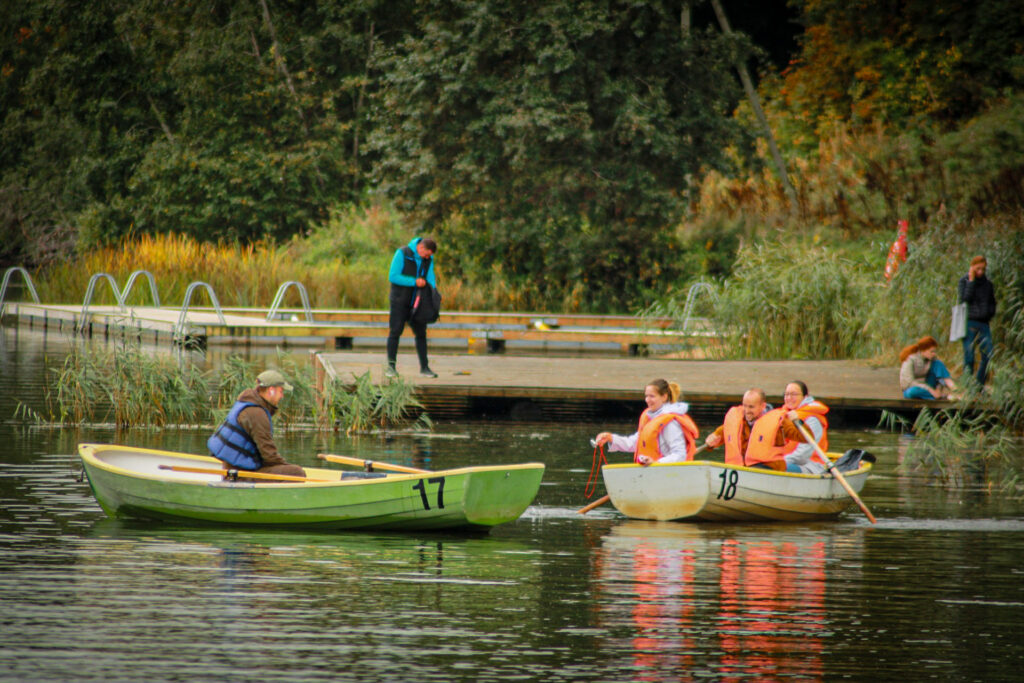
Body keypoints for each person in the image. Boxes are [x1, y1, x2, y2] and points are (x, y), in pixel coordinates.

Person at [207, 369, 306, 480]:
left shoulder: (247, 403)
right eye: (281, 391)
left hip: (233, 471)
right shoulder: (257, 414)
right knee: (297, 473)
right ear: (271, 390)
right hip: (241, 476)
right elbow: (269, 456)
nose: (282, 396)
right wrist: (287, 467)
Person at [594, 379, 699, 466]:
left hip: (667, 474)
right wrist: (611, 438)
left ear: (664, 397)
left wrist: (656, 463)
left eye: (652, 396)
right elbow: (635, 443)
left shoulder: (670, 422)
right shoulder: (650, 417)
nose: (647, 400)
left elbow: (679, 454)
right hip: (651, 474)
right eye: (646, 396)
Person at [386, 236, 439, 378]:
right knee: (395, 332)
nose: (428, 257)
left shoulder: (429, 259)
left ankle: (425, 368)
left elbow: (430, 278)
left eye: (430, 256)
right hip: (399, 300)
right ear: (421, 248)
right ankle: (391, 367)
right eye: (427, 254)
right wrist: (414, 282)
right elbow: (393, 276)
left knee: (421, 334)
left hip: (418, 303)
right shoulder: (402, 253)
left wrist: (434, 294)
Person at [703, 388, 770, 467]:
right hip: (740, 469)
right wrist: (711, 441)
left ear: (763, 406)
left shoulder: (776, 422)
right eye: (744, 406)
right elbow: (719, 434)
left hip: (765, 468)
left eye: (751, 407)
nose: (747, 410)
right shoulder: (737, 420)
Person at [958, 255, 996, 385]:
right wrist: (971, 281)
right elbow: (964, 300)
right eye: (978, 268)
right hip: (969, 322)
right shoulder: (964, 281)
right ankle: (967, 386)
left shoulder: (988, 284)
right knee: (969, 356)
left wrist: (990, 313)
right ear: (972, 267)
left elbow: (992, 302)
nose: (980, 271)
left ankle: (979, 385)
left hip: (984, 323)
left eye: (983, 269)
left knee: (988, 355)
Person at [778, 380, 830, 474]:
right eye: (786, 394)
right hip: (788, 461)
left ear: (805, 397)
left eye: (794, 394)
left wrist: (778, 462)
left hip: (810, 466)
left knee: (772, 467)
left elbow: (802, 456)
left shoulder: (812, 420)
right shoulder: (784, 415)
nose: (789, 398)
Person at [899, 335, 955, 400]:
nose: (934, 354)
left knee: (938, 363)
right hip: (913, 387)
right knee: (911, 393)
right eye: (931, 351)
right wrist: (930, 389)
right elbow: (910, 382)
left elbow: (940, 378)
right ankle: (941, 396)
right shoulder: (910, 360)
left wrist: (938, 388)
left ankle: (956, 391)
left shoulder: (933, 360)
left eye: (934, 351)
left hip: (928, 386)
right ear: (923, 350)